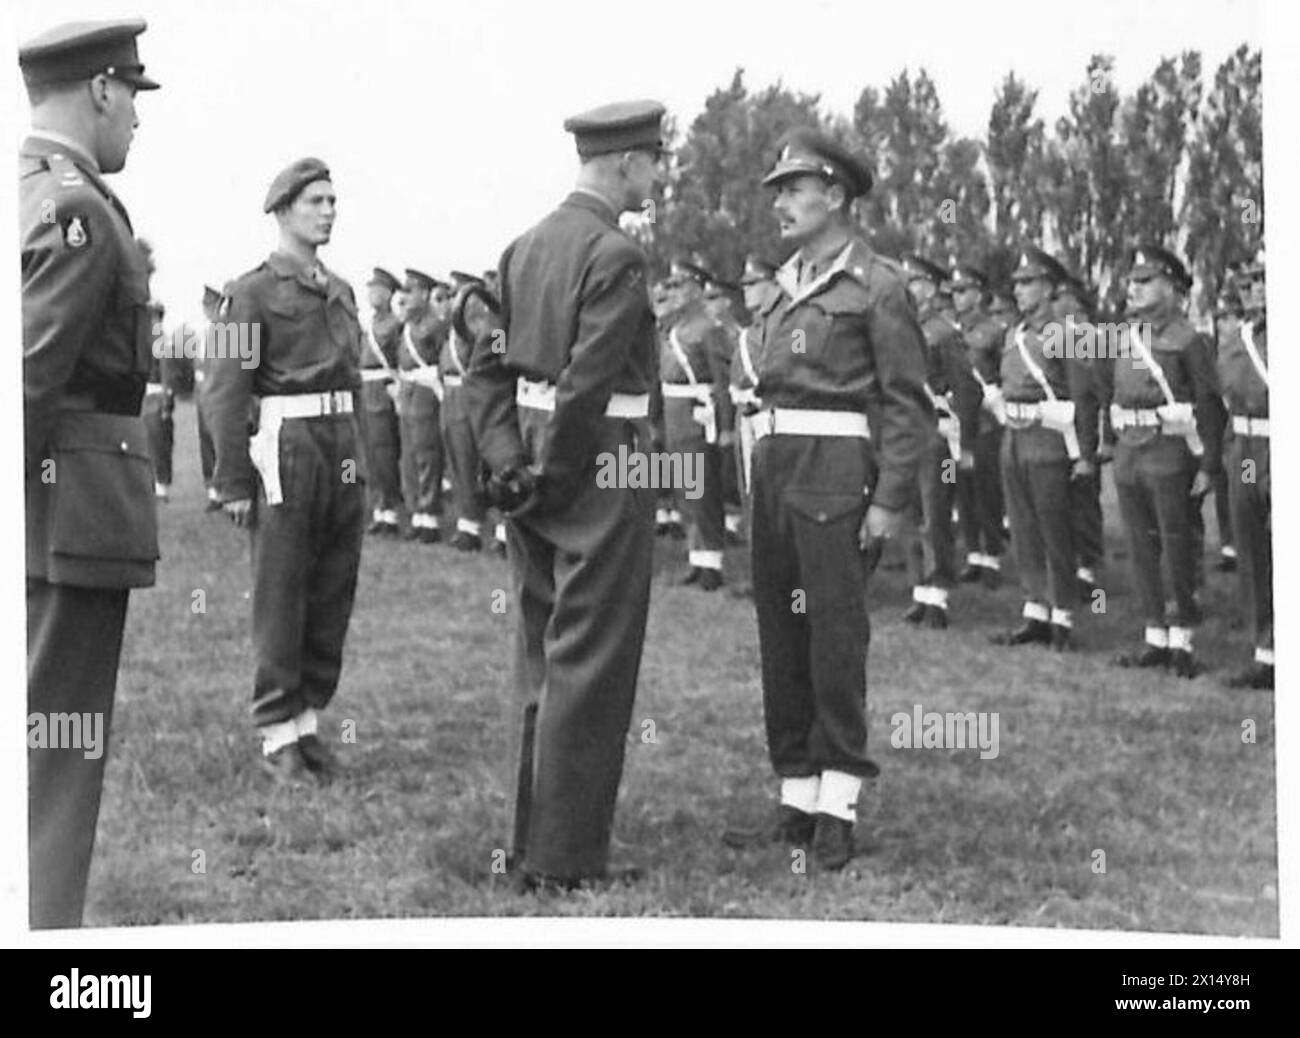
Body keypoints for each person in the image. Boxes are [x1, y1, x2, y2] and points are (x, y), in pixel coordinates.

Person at [467, 98, 665, 891]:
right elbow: (587, 381)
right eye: (654, 161)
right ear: (624, 163)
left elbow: (486, 369)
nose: (657, 176)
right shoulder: (616, 255)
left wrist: (511, 464)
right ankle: (565, 858)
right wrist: (551, 471)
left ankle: (529, 843)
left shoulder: (522, 249)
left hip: (538, 470)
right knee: (592, 660)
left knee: (539, 653)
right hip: (600, 466)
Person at [721, 128, 931, 870]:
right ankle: (796, 793)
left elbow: (909, 404)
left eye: (793, 187)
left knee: (835, 639)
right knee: (782, 636)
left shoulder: (877, 286)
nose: (780, 202)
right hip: (775, 474)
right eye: (776, 189)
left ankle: (839, 799)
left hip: (836, 476)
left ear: (836, 194)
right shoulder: (782, 286)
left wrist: (889, 501)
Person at [21, 17, 161, 927]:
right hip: (61, 520)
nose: (139, 121)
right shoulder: (75, 205)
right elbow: (27, 380)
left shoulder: (28, 186)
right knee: (55, 760)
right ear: (102, 90)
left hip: (46, 515)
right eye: (135, 99)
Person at [207, 157, 365, 781]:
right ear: (282, 210)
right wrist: (232, 481)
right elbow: (224, 389)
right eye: (315, 201)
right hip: (288, 441)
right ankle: (276, 732)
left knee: (332, 585)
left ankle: (306, 723)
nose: (328, 211)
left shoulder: (342, 290)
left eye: (332, 200)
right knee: (282, 586)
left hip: (341, 438)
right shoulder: (250, 292)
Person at [1101, 244, 1222, 678]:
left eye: (1144, 281)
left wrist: (1209, 463)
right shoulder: (1124, 334)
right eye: (1132, 281)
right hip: (1130, 449)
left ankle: (1183, 640)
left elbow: (1209, 402)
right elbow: (1108, 392)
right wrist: (1108, 443)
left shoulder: (1189, 340)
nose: (1132, 289)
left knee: (1176, 544)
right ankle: (1155, 635)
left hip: (1169, 448)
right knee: (1140, 545)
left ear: (1172, 287)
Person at [990, 248, 1088, 652]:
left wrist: (1084, 453)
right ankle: (1036, 610)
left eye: (1028, 282)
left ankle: (1063, 615)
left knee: (1053, 530)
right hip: (1014, 436)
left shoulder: (1065, 333)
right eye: (1016, 283)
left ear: (1049, 287)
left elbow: (1083, 392)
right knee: (1024, 527)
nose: (1019, 290)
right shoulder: (1014, 333)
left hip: (1049, 437)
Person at [899, 253, 980, 629]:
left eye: (915, 282)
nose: (909, 289)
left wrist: (964, 446)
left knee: (936, 514)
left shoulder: (945, 333)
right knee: (910, 515)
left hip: (937, 436)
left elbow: (965, 389)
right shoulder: (901, 328)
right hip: (906, 434)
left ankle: (939, 594)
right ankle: (920, 590)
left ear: (930, 288)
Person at [659, 258, 734, 590]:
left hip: (697, 412)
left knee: (702, 487)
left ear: (696, 289)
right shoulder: (673, 329)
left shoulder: (709, 328)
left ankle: (712, 562)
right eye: (670, 286)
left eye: (679, 286)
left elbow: (721, 380)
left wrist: (726, 425)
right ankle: (696, 557)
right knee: (684, 487)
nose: (673, 293)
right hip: (674, 412)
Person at [1214, 253, 1272, 689]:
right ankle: (1265, 651)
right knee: (1252, 549)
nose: (1254, 289)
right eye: (1250, 281)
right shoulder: (1238, 339)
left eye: (1264, 280)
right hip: (1247, 451)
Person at [950, 264, 1007, 588]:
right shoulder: (950, 330)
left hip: (986, 422)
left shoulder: (994, 330)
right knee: (963, 491)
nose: (957, 298)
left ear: (978, 293)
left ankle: (992, 557)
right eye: (954, 292)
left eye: (963, 291)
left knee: (987, 490)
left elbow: (1005, 371)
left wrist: (997, 393)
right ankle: (973, 554)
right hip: (957, 422)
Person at [1052, 266, 1106, 598]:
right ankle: (1069, 564)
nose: (1055, 303)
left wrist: (1094, 445)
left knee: (1084, 501)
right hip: (1058, 427)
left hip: (1084, 427)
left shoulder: (1089, 335)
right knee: (1063, 502)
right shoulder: (1054, 334)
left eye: (1060, 296)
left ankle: (1087, 569)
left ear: (1074, 300)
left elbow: (1095, 392)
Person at [396, 269, 449, 543]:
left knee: (426, 452)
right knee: (409, 455)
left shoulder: (434, 325)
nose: (404, 296)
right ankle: (416, 511)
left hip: (425, 391)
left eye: (410, 290)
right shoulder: (407, 325)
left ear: (425, 294)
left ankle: (428, 515)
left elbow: (445, 359)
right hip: (408, 390)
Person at [442, 271, 493, 551]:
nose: (453, 298)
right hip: (452, 393)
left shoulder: (479, 325)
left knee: (478, 460)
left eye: (458, 292)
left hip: (470, 393)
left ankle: (492, 525)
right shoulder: (453, 327)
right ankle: (468, 522)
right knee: (458, 458)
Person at [357, 267, 403, 536]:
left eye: (378, 290)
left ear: (388, 294)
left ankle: (391, 510)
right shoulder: (369, 325)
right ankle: (379, 507)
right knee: (369, 454)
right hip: (365, 388)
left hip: (383, 390)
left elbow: (399, 361)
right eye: (370, 289)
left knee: (384, 451)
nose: (372, 294)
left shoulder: (395, 325)